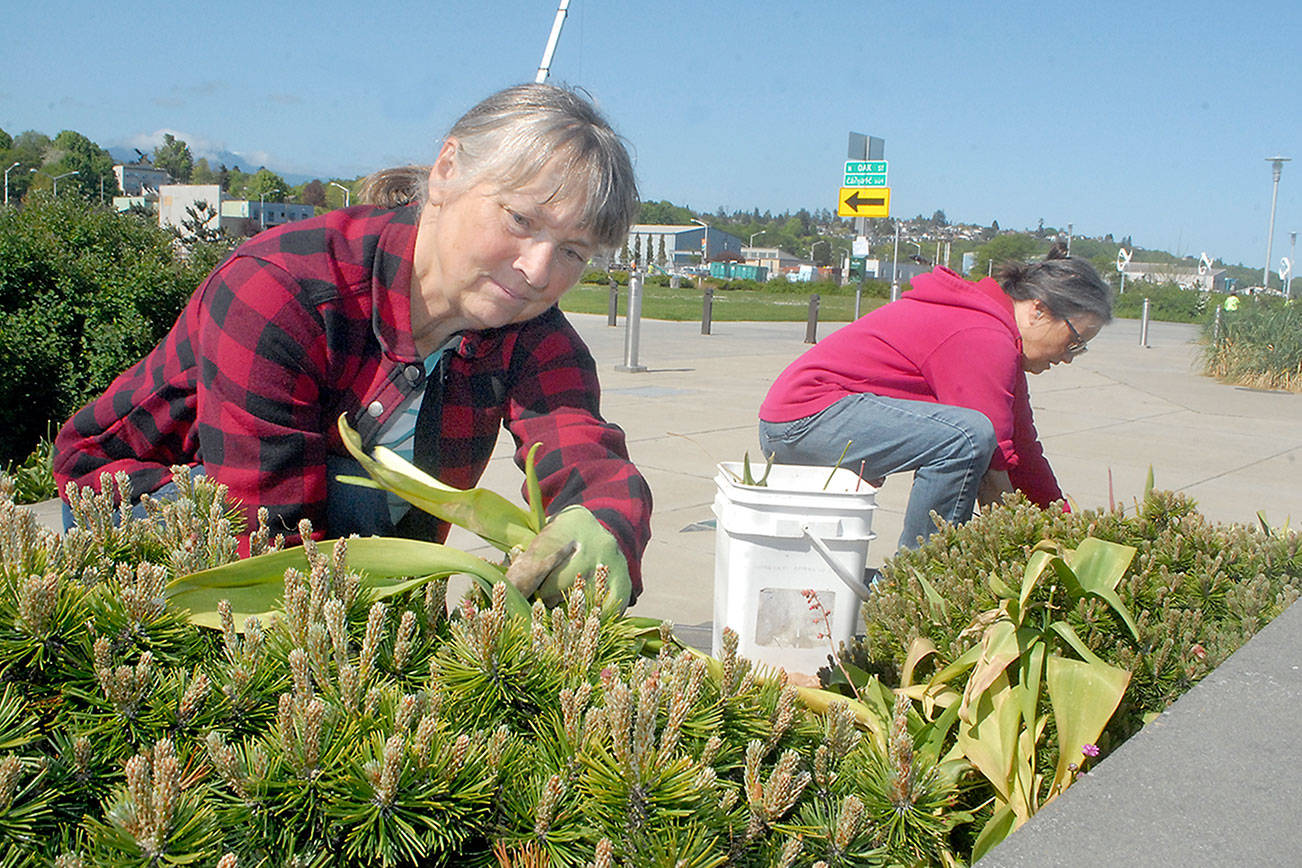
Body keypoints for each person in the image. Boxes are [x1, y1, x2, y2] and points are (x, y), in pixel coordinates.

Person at [53, 83, 652, 602]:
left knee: (366, 519)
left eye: (573, 251)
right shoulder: (282, 290)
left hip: (328, 533)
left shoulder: (529, 329)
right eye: (520, 220)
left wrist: (604, 522)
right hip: (144, 494)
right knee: (356, 504)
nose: (539, 271)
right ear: (447, 171)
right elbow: (267, 532)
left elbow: (579, 445)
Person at [758, 253, 1113, 552]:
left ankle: (922, 575)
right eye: (1074, 341)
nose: (1069, 357)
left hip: (808, 420)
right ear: (1038, 310)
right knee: (967, 438)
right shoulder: (983, 335)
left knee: (973, 436)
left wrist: (1065, 530)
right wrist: (1025, 551)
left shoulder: (994, 329)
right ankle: (917, 578)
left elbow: (1022, 451)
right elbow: (994, 473)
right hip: (803, 422)